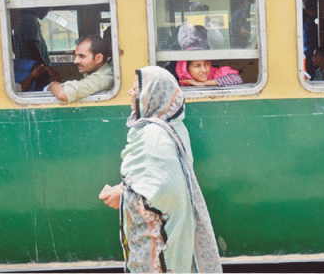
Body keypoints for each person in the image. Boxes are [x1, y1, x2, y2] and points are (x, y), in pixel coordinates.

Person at [98, 66, 222, 273]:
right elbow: (152, 176)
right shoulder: (169, 126)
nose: (131, 93)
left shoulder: (154, 134)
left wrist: (124, 194)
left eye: (137, 89)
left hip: (157, 239)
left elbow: (164, 189)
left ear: (152, 95)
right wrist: (125, 187)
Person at [47, 34, 113, 102]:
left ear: (98, 58)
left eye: (82, 56)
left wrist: (53, 84)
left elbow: (63, 94)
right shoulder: (94, 71)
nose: (75, 61)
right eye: (76, 56)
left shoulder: (103, 78)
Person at [175, 24, 243, 87]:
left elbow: (236, 79)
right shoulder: (178, 83)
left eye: (206, 64)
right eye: (197, 66)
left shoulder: (214, 73)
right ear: (186, 68)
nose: (204, 70)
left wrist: (205, 83)